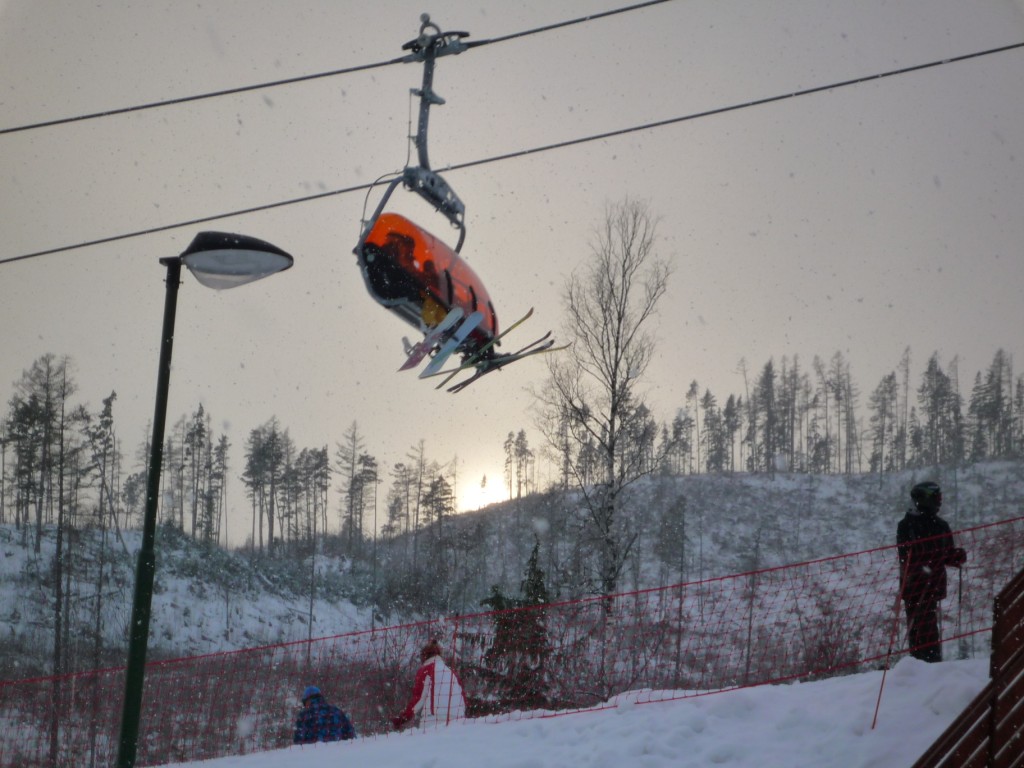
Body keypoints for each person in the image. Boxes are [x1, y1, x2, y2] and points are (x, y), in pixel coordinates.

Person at [896, 481, 967, 662]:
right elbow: (906, 556)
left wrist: (956, 556)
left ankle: (929, 666)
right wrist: (934, 561)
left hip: (930, 585)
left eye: (940, 497)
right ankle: (923, 666)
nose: (940, 502)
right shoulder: (907, 525)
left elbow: (946, 555)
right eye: (936, 498)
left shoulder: (940, 525)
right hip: (915, 586)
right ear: (924, 499)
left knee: (927, 628)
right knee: (919, 629)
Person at [392, 639, 467, 730]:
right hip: (457, 719)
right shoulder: (452, 673)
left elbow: (419, 699)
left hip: (433, 718)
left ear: (424, 656)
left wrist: (403, 718)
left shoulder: (426, 670)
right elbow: (463, 699)